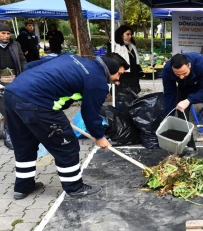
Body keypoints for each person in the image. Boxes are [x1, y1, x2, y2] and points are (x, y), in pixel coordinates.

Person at [4, 52, 130, 200]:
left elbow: (32, 65)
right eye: (119, 75)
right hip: (38, 104)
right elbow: (90, 114)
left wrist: (30, 86)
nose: (118, 80)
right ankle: (75, 187)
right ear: (109, 71)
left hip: (12, 94)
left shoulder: (72, 57)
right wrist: (100, 136)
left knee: (24, 143)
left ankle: (23, 187)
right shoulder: (98, 82)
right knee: (66, 146)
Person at [0, 22, 27, 149]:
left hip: (14, 79)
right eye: (3, 33)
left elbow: (22, 60)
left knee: (14, 105)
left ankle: (15, 130)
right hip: (0, 80)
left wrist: (25, 74)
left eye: (8, 33)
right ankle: (8, 133)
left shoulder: (15, 45)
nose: (6, 36)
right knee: (4, 107)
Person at [114, 25, 142, 95]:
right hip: (123, 76)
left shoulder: (132, 46)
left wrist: (139, 70)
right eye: (127, 34)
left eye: (131, 34)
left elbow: (135, 60)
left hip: (133, 75)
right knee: (123, 96)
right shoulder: (115, 46)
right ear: (121, 34)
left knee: (133, 95)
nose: (130, 36)